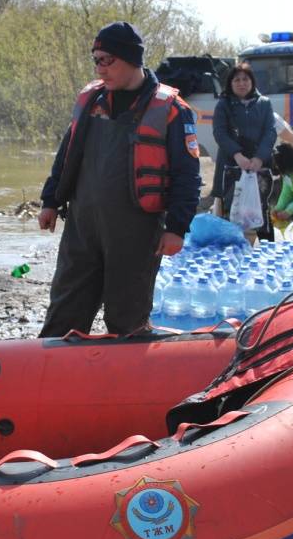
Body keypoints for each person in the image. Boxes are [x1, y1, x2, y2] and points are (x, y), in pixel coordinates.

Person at [37, 21, 201, 337]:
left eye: (106, 60)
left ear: (131, 59)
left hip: (136, 232)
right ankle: (54, 376)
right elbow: (67, 154)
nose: (99, 68)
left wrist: (177, 228)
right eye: (95, 59)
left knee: (128, 318)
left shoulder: (171, 109)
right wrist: (50, 201)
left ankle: (125, 378)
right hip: (83, 227)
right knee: (64, 311)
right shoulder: (91, 101)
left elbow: (187, 176)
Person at [211, 61, 277, 242]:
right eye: (237, 80)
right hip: (231, 165)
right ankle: (232, 253)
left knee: (261, 211)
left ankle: (264, 254)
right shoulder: (224, 104)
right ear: (230, 83)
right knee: (230, 212)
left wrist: (260, 158)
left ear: (252, 81)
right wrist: (237, 154)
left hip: (258, 166)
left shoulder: (264, 103)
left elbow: (270, 132)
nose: (241, 83)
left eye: (245, 79)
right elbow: (220, 132)